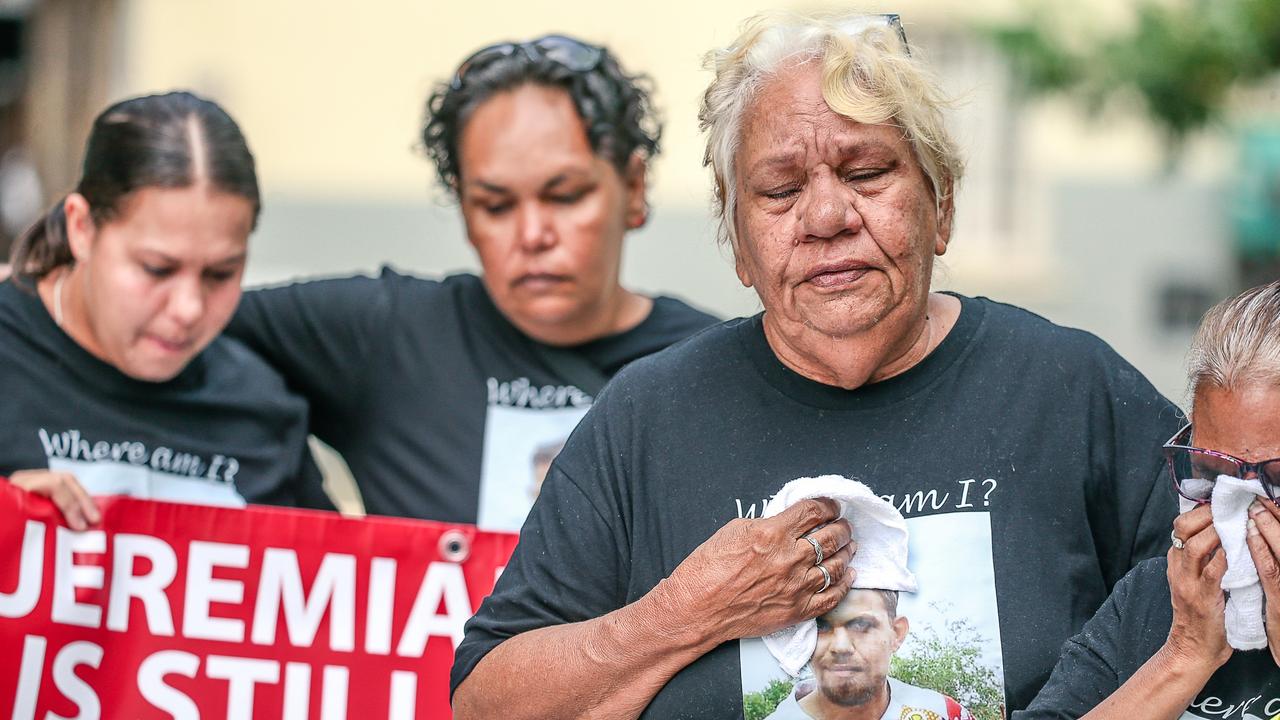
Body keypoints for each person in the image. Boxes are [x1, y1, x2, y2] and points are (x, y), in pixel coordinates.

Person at [450, 12, 1181, 719]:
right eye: (781, 189)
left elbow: (1226, 636)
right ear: (738, 242)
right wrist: (686, 612)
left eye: (866, 173)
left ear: (943, 206)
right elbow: (486, 702)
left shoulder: (1069, 391)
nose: (827, 216)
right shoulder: (647, 417)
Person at [224, 34, 717, 528]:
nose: (532, 235)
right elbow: (176, 327)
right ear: (462, 207)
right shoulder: (389, 335)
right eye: (495, 206)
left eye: (565, 196)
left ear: (633, 187)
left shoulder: (716, 367)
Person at [0, 91, 332, 528]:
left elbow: (330, 579)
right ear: (81, 228)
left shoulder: (259, 407)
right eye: (157, 269)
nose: (189, 309)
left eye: (221, 274)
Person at [1017, 281, 1280, 720]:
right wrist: (1183, 655)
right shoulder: (1153, 598)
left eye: (1275, 480)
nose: (1237, 510)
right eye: (1213, 475)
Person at [766, 589, 972, 720]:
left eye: (861, 624)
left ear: (897, 633)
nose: (840, 646)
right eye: (820, 627)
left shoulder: (943, 713)